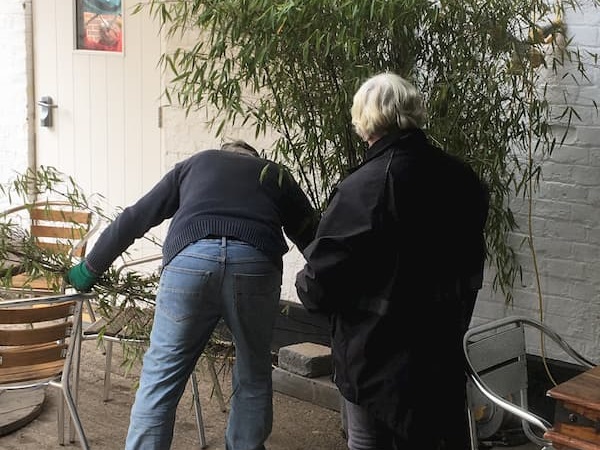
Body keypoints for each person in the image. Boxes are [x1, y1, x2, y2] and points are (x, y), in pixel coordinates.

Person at [66, 140, 319, 450]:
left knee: (161, 376)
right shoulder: (273, 173)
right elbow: (311, 234)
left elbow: (135, 217)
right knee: (253, 370)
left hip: (190, 260)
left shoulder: (195, 164)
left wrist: (90, 268)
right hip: (254, 264)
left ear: (224, 151)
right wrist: (336, 284)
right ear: (253, 156)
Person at [295, 72, 489, 450]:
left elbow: (318, 284)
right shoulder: (462, 178)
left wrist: (308, 286)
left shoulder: (365, 186)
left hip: (376, 362)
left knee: (369, 443)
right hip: (440, 351)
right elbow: (469, 260)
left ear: (364, 121)